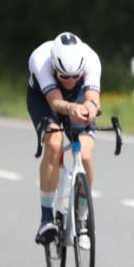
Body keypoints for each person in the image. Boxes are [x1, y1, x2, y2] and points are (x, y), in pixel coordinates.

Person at [26, 31, 102, 245]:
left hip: (77, 98)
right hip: (44, 98)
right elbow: (55, 103)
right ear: (55, 67)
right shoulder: (40, 60)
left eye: (75, 76)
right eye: (64, 76)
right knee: (53, 143)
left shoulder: (91, 59)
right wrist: (72, 109)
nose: (70, 81)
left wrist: (90, 108)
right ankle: (46, 218)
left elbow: (93, 98)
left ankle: (83, 218)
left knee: (85, 155)